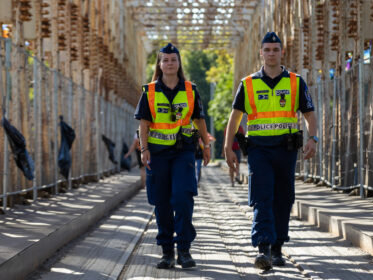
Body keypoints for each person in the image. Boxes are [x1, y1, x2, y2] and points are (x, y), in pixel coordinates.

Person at [224, 32, 318, 270]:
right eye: (267, 50)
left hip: (286, 150)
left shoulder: (296, 82)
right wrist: (228, 147)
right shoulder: (248, 84)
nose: (271, 53)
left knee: (284, 198)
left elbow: (309, 114)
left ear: (281, 52)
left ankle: (277, 248)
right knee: (263, 197)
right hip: (259, 150)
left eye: (276, 49)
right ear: (261, 53)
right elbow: (235, 118)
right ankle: (263, 248)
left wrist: (313, 138)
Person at [135, 43, 212, 269]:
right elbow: (144, 123)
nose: (170, 63)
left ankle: (184, 249)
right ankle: (167, 252)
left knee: (182, 198)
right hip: (158, 155)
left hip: (183, 153)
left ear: (179, 63)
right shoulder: (149, 91)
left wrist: (206, 145)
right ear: (160, 65)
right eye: (165, 60)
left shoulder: (190, 89)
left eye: (173, 60)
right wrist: (144, 149)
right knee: (162, 203)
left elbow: (199, 119)